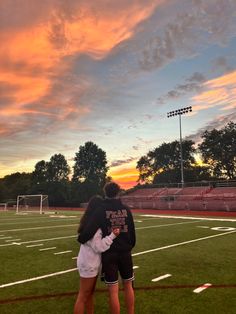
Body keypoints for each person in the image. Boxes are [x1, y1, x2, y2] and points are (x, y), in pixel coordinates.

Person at [79, 182, 136, 314]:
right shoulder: (126, 210)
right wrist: (128, 247)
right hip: (125, 253)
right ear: (118, 193)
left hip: (109, 254)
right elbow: (132, 234)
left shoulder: (100, 210)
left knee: (113, 291)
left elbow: (89, 229)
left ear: (105, 193)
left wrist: (81, 238)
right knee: (128, 286)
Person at [74, 195, 120, 314]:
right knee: (83, 296)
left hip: (87, 261)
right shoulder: (94, 227)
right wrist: (112, 236)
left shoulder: (87, 221)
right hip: (89, 263)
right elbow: (98, 247)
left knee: (89, 295)